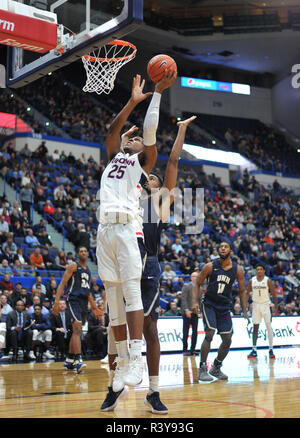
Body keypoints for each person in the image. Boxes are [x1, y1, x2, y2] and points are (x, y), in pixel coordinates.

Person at [101, 115, 195, 413]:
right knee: (115, 330)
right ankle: (114, 386)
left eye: (154, 179)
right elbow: (118, 154)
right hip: (122, 250)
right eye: (149, 176)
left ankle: (153, 391)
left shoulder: (160, 203)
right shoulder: (127, 189)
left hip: (148, 266)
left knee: (150, 328)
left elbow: (173, 163)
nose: (151, 178)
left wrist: (180, 131)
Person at [96, 71, 176, 393]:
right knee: (113, 301)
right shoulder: (115, 157)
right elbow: (112, 129)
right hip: (104, 230)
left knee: (130, 291)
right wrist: (131, 102)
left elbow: (150, 131)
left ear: (144, 152)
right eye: (131, 138)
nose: (133, 138)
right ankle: (121, 364)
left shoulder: (142, 165)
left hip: (129, 228)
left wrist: (156, 93)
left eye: (137, 140)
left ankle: (137, 358)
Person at [192, 241, 250, 381]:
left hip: (224, 306)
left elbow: (242, 291)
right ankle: (202, 368)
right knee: (210, 333)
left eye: (226, 247)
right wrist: (194, 302)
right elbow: (197, 283)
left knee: (227, 339)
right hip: (210, 304)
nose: (223, 248)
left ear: (230, 251)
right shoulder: (210, 266)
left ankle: (216, 367)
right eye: (221, 246)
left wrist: (244, 310)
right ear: (218, 251)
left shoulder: (237, 269)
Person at [51, 246, 103, 373]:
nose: (84, 253)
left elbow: (89, 292)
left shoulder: (88, 270)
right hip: (73, 300)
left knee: (76, 330)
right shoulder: (73, 266)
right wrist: (56, 302)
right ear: (77, 254)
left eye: (85, 251)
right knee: (77, 329)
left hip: (84, 302)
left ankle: (69, 359)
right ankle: (78, 360)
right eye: (81, 251)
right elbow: (63, 283)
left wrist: (95, 307)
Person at [246, 263, 278, 359]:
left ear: (264, 270)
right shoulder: (252, 281)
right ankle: (254, 350)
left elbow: (274, 294)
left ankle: (271, 349)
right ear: (256, 271)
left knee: (269, 327)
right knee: (255, 327)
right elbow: (247, 294)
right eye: (257, 269)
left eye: (261, 269)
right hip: (255, 305)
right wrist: (245, 307)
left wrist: (275, 307)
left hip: (265, 305)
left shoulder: (267, 280)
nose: (259, 271)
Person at [182, 271, 200, 356]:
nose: (196, 278)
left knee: (195, 332)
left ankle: (193, 350)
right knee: (185, 331)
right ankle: (185, 350)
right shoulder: (186, 286)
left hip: (195, 313)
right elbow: (184, 299)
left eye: (197, 277)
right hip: (187, 312)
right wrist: (186, 310)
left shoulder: (199, 288)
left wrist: (200, 310)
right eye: (194, 276)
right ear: (191, 278)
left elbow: (200, 301)